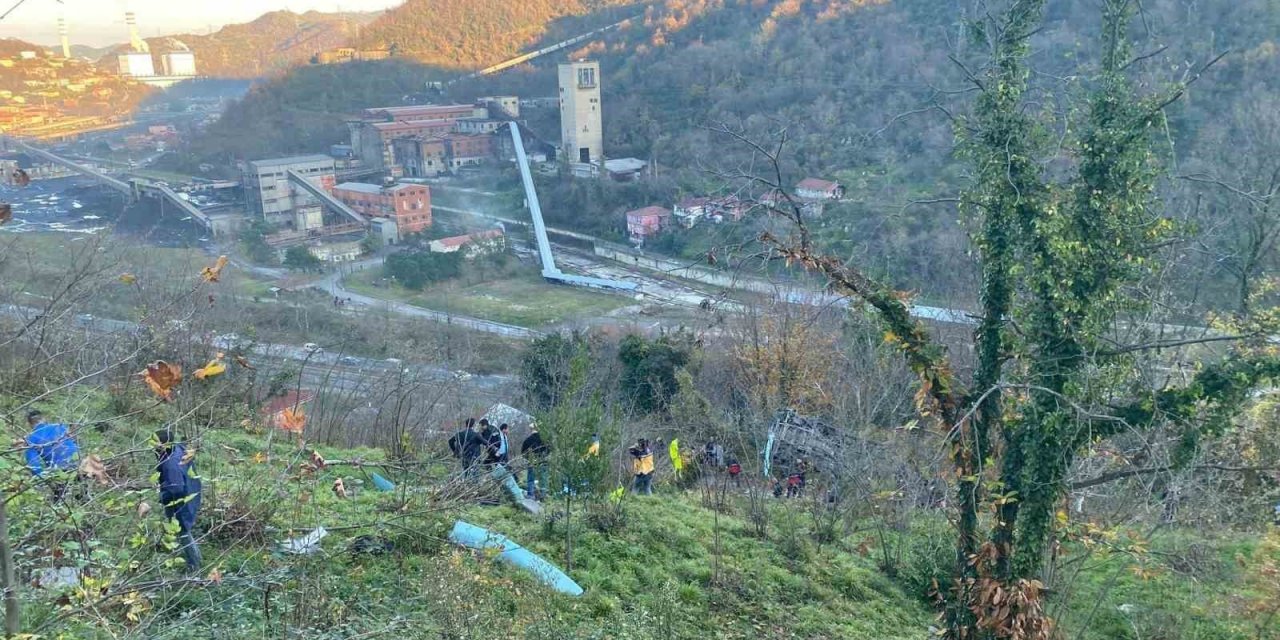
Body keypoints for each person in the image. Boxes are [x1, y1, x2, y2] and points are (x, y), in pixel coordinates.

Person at [155, 428, 202, 572]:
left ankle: (194, 567)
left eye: (154, 442)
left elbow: (176, 489)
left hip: (181, 501)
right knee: (183, 529)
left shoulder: (171, 463)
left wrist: (161, 496)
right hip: (191, 491)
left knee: (183, 531)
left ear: (162, 444)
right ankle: (192, 559)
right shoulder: (178, 449)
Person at [24, 410, 79, 499]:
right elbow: (73, 442)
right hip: (77, 462)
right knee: (81, 491)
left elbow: (33, 463)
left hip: (59, 469)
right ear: (44, 418)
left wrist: (40, 479)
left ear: (29, 424)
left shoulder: (32, 438)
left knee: (60, 497)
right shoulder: (60, 427)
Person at [520, 424, 551, 499]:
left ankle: (531, 495)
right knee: (543, 479)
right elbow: (549, 449)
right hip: (543, 461)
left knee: (531, 479)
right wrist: (544, 456)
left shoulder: (527, 441)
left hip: (532, 462)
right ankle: (543, 495)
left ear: (531, 429)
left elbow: (523, 453)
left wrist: (529, 458)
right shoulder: (544, 439)